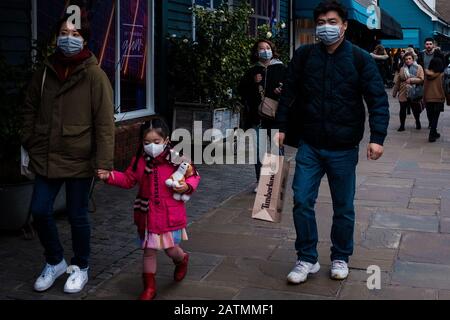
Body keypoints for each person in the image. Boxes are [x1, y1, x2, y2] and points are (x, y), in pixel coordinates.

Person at [273, 0, 389, 283]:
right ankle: (306, 258)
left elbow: (377, 99)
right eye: (322, 22)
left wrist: (377, 138)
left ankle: (340, 256)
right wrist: (281, 126)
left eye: (333, 22)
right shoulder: (304, 56)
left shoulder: (360, 58)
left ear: (345, 25)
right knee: (301, 200)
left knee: (343, 207)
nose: (326, 27)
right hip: (310, 144)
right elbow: (288, 92)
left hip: (344, 147)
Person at [20, 15, 115, 294]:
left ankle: (80, 267)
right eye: (63, 32)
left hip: (80, 158)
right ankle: (55, 261)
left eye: (75, 34)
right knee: (39, 210)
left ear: (84, 39)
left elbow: (105, 122)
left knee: (77, 216)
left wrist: (104, 163)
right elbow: (29, 106)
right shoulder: (46, 71)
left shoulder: (94, 74)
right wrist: (28, 138)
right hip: (46, 156)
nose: (68, 38)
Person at [97, 119, 200, 300]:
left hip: (169, 214)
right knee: (149, 251)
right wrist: (110, 176)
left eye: (156, 142)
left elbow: (193, 174)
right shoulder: (139, 161)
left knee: (171, 249)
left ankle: (182, 259)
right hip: (148, 215)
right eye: (146, 143)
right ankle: (149, 287)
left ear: (166, 140)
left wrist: (187, 187)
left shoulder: (175, 158)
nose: (151, 146)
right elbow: (129, 179)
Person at [238, 40, 287, 192]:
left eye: (267, 48)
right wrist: (253, 82)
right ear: (256, 52)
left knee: (276, 149)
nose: (265, 50)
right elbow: (241, 91)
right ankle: (261, 181)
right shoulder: (252, 70)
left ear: (272, 50)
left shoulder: (281, 68)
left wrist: (282, 91)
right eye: (261, 48)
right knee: (259, 150)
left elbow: (291, 89)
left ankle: (275, 181)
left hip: (275, 116)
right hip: (257, 116)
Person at [393, 51, 425, 131]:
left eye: (409, 59)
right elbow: (398, 81)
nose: (408, 60)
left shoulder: (418, 67)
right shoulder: (402, 68)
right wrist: (395, 92)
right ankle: (402, 125)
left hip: (414, 91)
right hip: (403, 91)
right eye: (406, 59)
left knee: (415, 110)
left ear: (413, 59)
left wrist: (411, 80)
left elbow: (421, 79)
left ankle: (417, 121)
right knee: (402, 109)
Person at [418, 38, 446, 128]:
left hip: (436, 78)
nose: (428, 46)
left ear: (433, 45)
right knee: (427, 102)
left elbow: (444, 66)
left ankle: (433, 123)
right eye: (427, 44)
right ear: (424, 45)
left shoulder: (439, 54)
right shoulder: (421, 54)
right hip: (424, 79)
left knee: (435, 103)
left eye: (430, 44)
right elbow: (419, 65)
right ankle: (431, 122)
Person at [424, 57, 447, 142]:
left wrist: (424, 98)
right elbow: (445, 87)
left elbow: (425, 87)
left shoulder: (427, 74)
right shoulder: (442, 75)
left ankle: (434, 132)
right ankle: (431, 135)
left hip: (428, 98)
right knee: (435, 117)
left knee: (431, 117)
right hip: (438, 98)